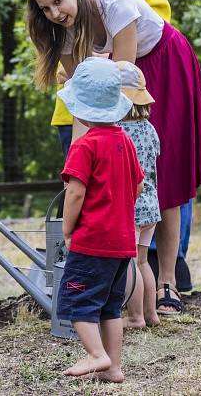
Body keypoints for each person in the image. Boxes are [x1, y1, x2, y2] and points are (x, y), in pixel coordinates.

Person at [24, 0, 201, 315]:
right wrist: (80, 165)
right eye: (45, 9)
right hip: (122, 80)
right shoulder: (65, 33)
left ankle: (167, 282)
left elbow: (123, 83)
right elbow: (87, 99)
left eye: (58, 1)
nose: (54, 13)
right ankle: (122, 291)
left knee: (162, 176)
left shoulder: (118, 5)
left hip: (161, 64)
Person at [55, 57, 143, 382]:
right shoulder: (125, 141)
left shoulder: (84, 146)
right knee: (109, 305)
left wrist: (68, 229)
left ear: (79, 107)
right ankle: (114, 368)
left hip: (91, 244)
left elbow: (75, 193)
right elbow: (138, 184)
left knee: (76, 296)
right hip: (122, 244)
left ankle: (95, 354)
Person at [115, 61, 161, 327]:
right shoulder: (149, 129)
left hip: (130, 206)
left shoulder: (119, 132)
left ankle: (134, 317)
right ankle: (151, 314)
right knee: (143, 260)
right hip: (151, 204)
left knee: (129, 263)